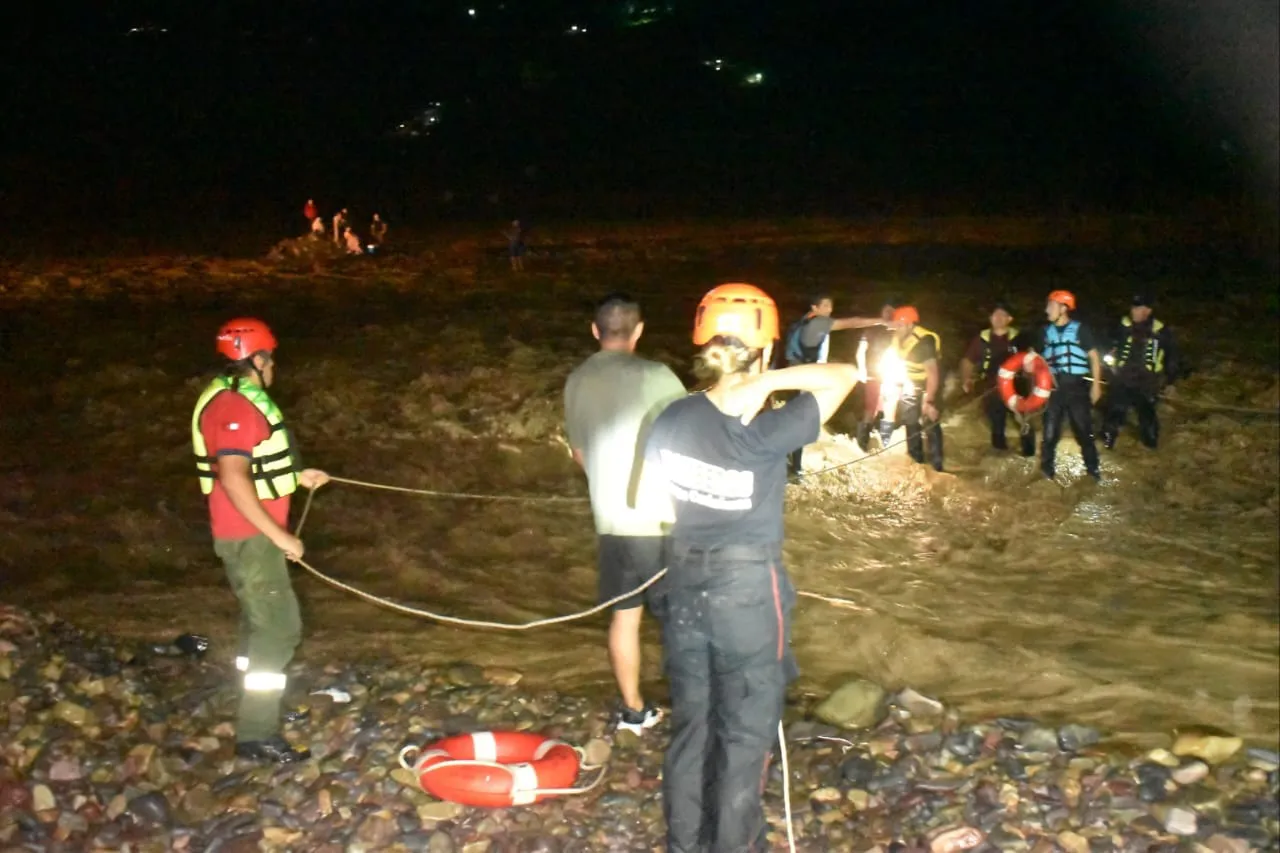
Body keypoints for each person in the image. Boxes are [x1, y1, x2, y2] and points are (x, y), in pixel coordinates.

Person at [644, 282, 861, 853]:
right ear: (763, 350)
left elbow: (655, 504)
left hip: (684, 584)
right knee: (746, 733)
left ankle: (686, 843)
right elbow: (843, 376)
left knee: (694, 725)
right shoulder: (765, 430)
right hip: (746, 591)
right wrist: (766, 382)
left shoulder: (670, 418)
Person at [191, 318, 329, 763]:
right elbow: (232, 478)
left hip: (247, 536)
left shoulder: (230, 399)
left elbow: (253, 468)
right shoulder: (234, 408)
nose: (274, 367)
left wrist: (295, 475)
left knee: (258, 623)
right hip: (250, 538)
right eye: (272, 358)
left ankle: (255, 705)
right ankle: (255, 734)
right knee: (280, 628)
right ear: (260, 359)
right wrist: (281, 537)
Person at [563, 293, 686, 735]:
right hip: (662, 520)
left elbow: (580, 454)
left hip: (611, 521)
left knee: (625, 616)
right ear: (638, 331)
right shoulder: (658, 376)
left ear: (595, 331)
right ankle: (693, 705)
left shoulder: (576, 380)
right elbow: (689, 442)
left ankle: (635, 711)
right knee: (682, 617)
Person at [782, 293, 888, 474]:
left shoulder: (802, 322)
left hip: (793, 374)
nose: (829, 310)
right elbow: (853, 322)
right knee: (801, 422)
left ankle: (790, 462)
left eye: (831, 306)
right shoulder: (819, 322)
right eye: (825, 306)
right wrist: (881, 321)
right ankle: (795, 467)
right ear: (814, 308)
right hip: (806, 377)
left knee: (794, 420)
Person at [1035, 290, 1103, 481]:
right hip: (1054, 389)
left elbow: (1094, 357)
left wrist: (1096, 386)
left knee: (1083, 432)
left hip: (1076, 388)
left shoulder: (1081, 329)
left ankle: (1093, 472)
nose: (1047, 309)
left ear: (1063, 308)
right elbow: (1038, 359)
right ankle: (1046, 474)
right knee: (1049, 434)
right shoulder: (1044, 332)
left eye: (1051, 305)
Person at [1102, 293, 1179, 450]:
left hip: (1147, 380)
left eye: (1139, 309)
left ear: (1148, 311)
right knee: (1115, 410)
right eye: (1133, 308)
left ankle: (1151, 447)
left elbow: (1172, 357)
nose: (1134, 312)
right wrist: (1109, 353)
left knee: (1147, 414)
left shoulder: (1161, 332)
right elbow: (1109, 342)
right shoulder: (1122, 326)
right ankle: (1107, 443)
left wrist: (1171, 382)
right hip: (1122, 376)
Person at [960, 302, 1035, 456]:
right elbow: (967, 361)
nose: (998, 318)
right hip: (992, 387)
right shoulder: (981, 339)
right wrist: (966, 379)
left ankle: (1029, 456)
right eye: (995, 314)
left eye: (1003, 315)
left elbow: (1032, 362)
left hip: (1017, 386)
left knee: (1024, 422)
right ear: (990, 318)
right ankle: (999, 457)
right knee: (996, 423)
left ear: (1010, 319)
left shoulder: (1020, 339)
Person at [878, 305, 944, 471]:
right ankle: (916, 463)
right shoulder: (898, 336)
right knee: (910, 420)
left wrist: (929, 401)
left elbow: (933, 375)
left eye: (899, 325)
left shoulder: (924, 343)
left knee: (930, 420)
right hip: (911, 381)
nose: (896, 329)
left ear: (909, 325)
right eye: (895, 325)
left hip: (931, 382)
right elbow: (895, 361)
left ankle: (937, 465)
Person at [854, 295, 904, 451]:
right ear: (881, 310)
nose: (889, 313)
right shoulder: (872, 328)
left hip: (892, 374)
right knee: (870, 409)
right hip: (873, 374)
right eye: (886, 309)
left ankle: (885, 445)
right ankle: (861, 445)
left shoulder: (900, 330)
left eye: (892, 310)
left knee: (890, 409)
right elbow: (860, 351)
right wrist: (861, 368)